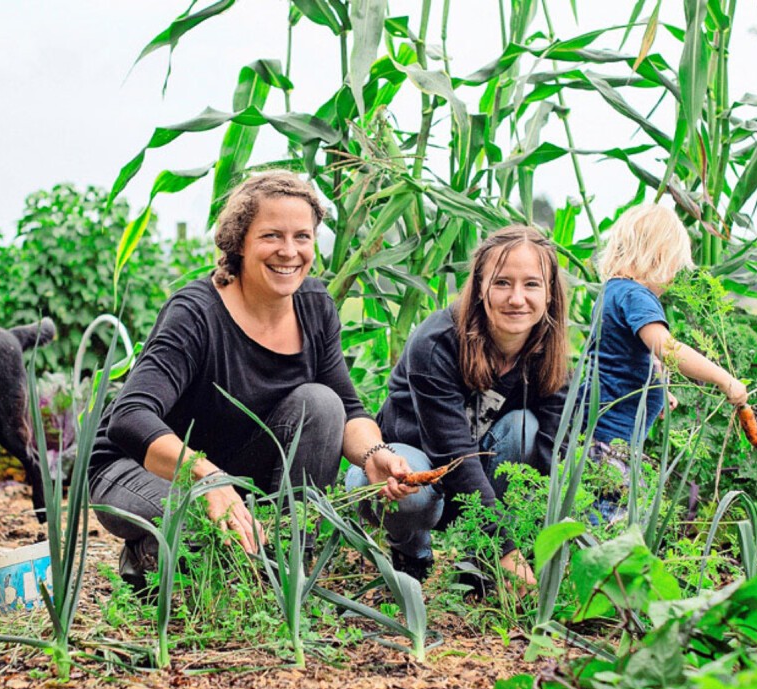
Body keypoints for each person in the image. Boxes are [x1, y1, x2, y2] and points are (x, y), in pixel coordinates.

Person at [88, 172, 409, 589]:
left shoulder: (315, 307)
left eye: (302, 237)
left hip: (232, 470)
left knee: (322, 402)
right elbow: (130, 418)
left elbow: (348, 409)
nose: (289, 251)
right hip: (139, 468)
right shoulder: (197, 313)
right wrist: (207, 479)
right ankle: (148, 554)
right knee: (205, 535)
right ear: (239, 242)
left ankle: (289, 570)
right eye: (272, 236)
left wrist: (373, 454)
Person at [346, 225, 570, 587]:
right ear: (480, 287)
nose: (517, 298)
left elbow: (549, 456)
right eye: (502, 283)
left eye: (531, 284)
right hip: (415, 468)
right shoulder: (436, 343)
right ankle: (412, 552)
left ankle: (478, 564)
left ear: (550, 295)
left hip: (482, 475)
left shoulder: (551, 359)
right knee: (400, 494)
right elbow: (453, 453)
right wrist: (507, 551)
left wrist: (546, 545)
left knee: (527, 428)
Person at [587, 204, 748, 456]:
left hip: (598, 429)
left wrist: (657, 388)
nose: (673, 277)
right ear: (659, 257)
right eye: (675, 265)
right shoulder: (636, 297)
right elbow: (668, 349)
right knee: (613, 494)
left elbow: (619, 357)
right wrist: (725, 380)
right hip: (613, 442)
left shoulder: (611, 292)